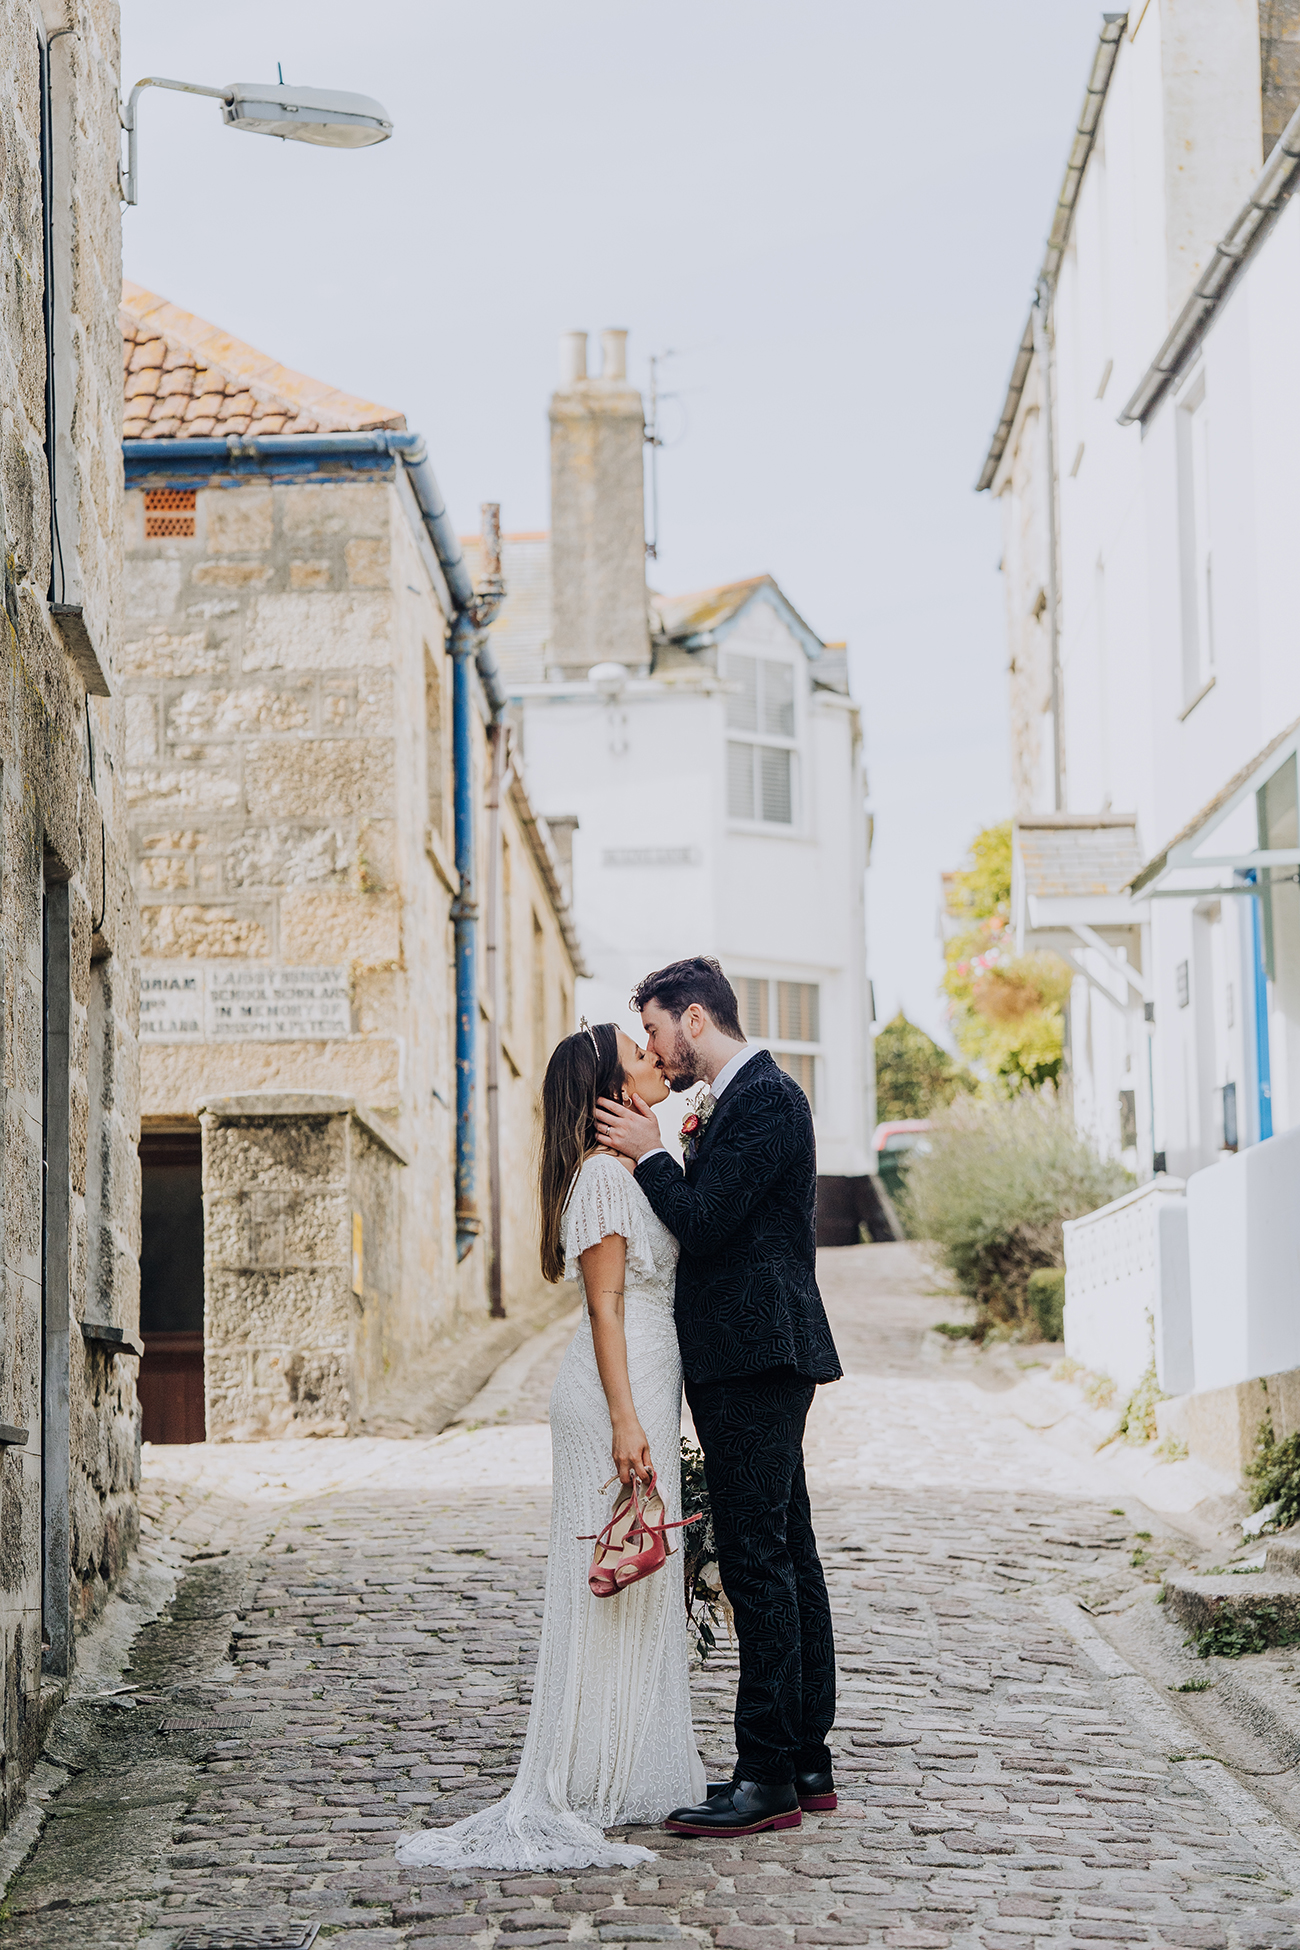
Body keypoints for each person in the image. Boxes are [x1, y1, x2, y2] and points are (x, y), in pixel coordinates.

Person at [396, 1020, 705, 1873]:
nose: (654, 1060)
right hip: (615, 1398)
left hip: (642, 1387)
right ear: (608, 1092)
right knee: (607, 1579)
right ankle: (586, 1774)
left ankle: (628, 1765)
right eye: (638, 1056)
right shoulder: (603, 1180)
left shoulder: (629, 1169)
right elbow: (607, 1310)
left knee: (637, 1580)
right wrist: (627, 1422)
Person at [595, 955, 842, 1839]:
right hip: (755, 1354)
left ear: (694, 1019)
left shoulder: (767, 1099)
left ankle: (768, 1774)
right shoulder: (747, 1099)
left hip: (753, 1355)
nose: (657, 1052)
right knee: (788, 1547)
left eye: (658, 1030)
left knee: (757, 1560)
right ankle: (807, 1757)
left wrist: (655, 1155)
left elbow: (705, 1222)